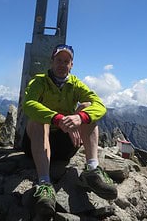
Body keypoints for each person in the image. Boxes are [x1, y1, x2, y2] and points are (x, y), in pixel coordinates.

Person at [22, 43, 117, 217]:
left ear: (71, 65)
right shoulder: (39, 81)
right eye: (59, 60)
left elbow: (100, 106)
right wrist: (56, 119)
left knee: (87, 107)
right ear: (52, 62)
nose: (62, 64)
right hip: (36, 144)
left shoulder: (76, 84)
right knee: (38, 120)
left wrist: (80, 118)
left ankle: (92, 170)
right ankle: (44, 184)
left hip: (65, 145)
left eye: (66, 61)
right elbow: (28, 105)